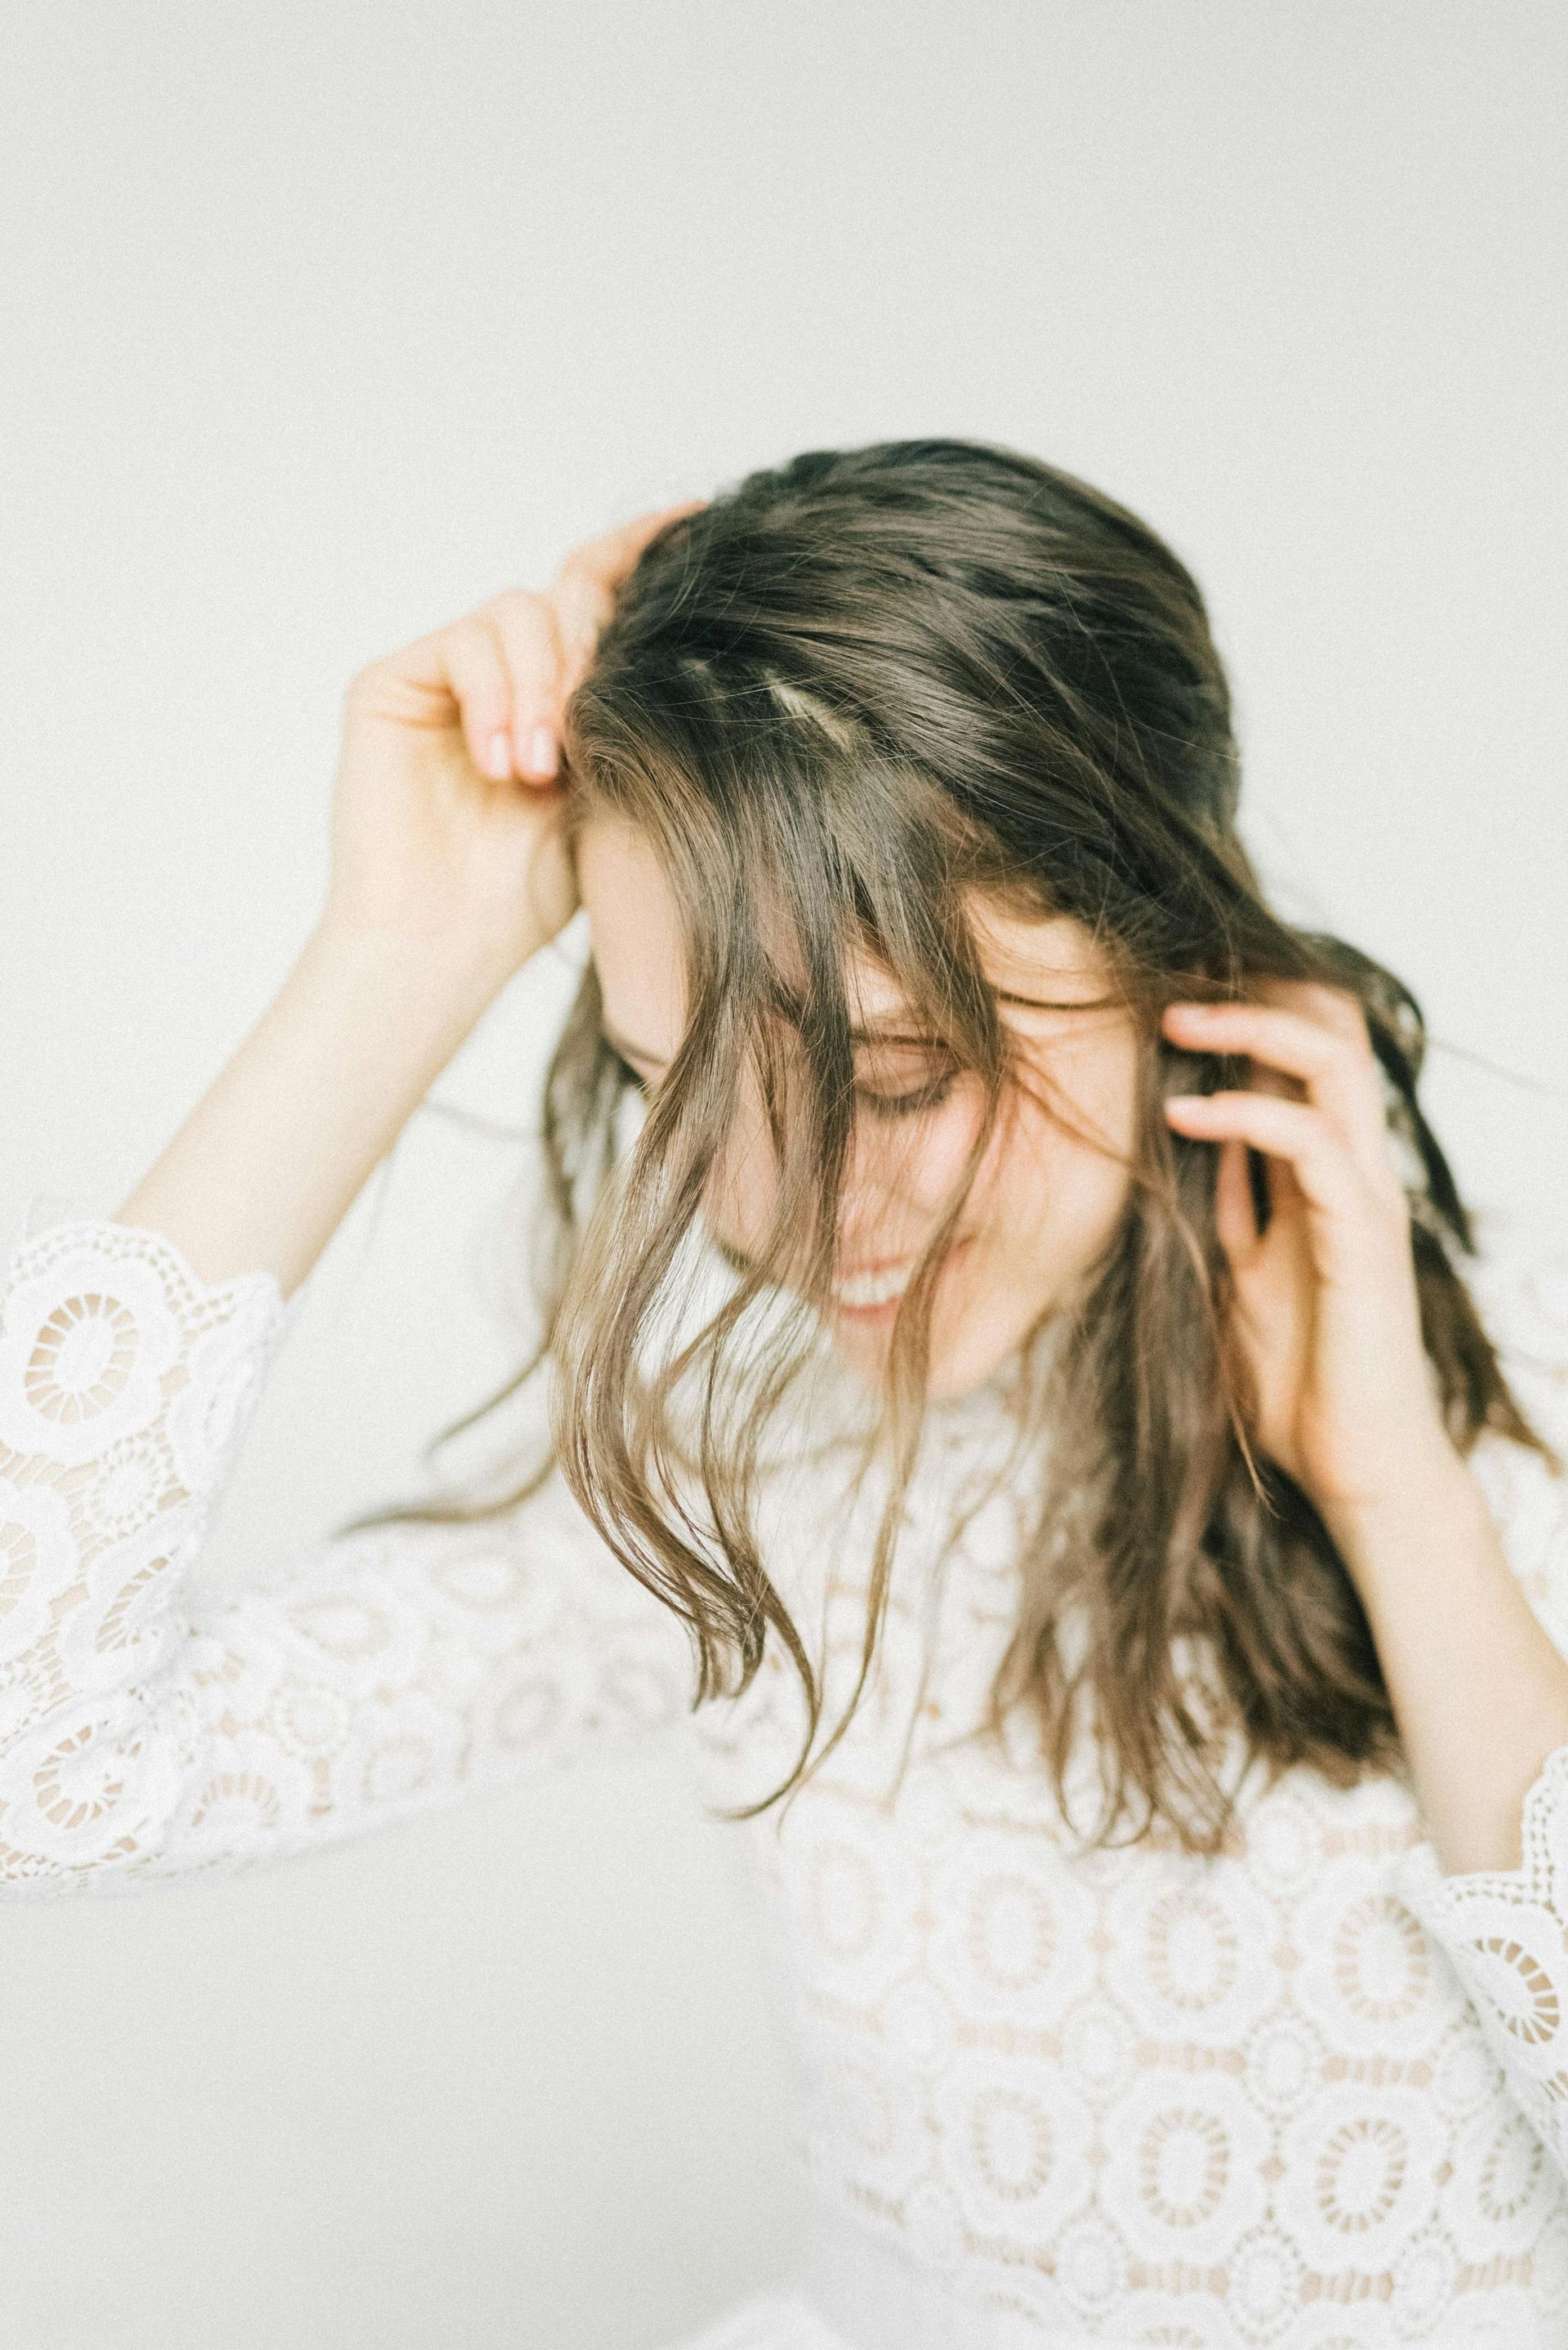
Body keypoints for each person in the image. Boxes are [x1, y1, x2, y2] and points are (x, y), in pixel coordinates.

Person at [4, 439, 1568, 2350]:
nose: (780, 1211)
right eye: (674, 1091)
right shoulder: (760, 1492)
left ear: (1175, 960)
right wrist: (397, 956)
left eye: (892, 1075)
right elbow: (34, 1762)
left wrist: (1401, 1498)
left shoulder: (1522, 1436)